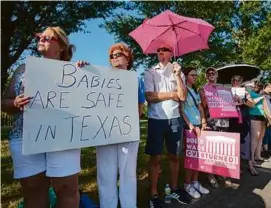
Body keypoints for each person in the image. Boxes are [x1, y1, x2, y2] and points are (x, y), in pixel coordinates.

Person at [1, 26, 87, 208]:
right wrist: (14, 103)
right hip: (25, 137)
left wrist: (86, 74)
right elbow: (4, 102)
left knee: (67, 189)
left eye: (48, 38)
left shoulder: (73, 71)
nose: (41, 39)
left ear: (62, 46)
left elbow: (88, 103)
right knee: (33, 189)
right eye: (40, 36)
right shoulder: (23, 69)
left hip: (63, 137)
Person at [95, 43, 145, 208]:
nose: (115, 57)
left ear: (128, 57)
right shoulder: (101, 77)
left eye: (118, 54)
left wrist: (127, 122)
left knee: (128, 173)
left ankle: (128, 205)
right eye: (112, 56)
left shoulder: (136, 79)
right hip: (105, 131)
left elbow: (140, 107)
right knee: (105, 173)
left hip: (127, 131)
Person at [144, 43, 189, 208]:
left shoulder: (178, 71)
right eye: (158, 50)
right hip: (156, 120)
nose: (161, 52)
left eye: (164, 50)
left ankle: (175, 187)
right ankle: (154, 194)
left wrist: (178, 76)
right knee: (155, 157)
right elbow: (150, 96)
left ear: (171, 53)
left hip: (175, 119)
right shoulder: (150, 72)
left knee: (174, 156)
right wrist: (172, 94)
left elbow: (183, 97)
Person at [180, 67, 210, 199]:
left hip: (199, 126)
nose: (195, 77)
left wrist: (203, 123)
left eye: (196, 75)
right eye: (192, 75)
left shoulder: (195, 91)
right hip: (190, 127)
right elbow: (181, 110)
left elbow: (200, 108)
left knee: (198, 157)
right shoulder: (183, 90)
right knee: (191, 157)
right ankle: (187, 184)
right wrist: (191, 126)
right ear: (186, 76)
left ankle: (195, 182)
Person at [199, 67, 229, 187]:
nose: (211, 74)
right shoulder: (202, 88)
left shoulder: (223, 89)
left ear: (217, 75)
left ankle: (219, 171)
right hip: (210, 120)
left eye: (213, 73)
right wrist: (209, 93)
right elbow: (203, 105)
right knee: (211, 149)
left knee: (221, 148)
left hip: (223, 120)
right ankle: (210, 175)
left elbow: (228, 104)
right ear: (206, 76)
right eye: (208, 73)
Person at [229, 75, 258, 176]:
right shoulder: (227, 92)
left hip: (244, 119)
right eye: (234, 80)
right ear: (231, 81)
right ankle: (237, 167)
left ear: (241, 82)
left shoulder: (245, 92)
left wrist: (244, 101)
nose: (236, 82)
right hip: (232, 120)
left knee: (247, 142)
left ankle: (250, 165)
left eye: (238, 80)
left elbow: (252, 104)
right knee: (234, 144)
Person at [248, 81, 267, 165]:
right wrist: (261, 97)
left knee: (261, 137)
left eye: (260, 86)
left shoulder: (262, 94)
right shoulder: (250, 93)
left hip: (263, 118)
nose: (258, 87)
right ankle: (251, 159)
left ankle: (258, 156)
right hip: (254, 117)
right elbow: (251, 103)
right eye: (257, 85)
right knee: (254, 138)